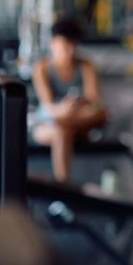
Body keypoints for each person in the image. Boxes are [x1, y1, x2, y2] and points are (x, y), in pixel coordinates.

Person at [32, 18, 107, 183]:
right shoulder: (42, 67)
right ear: (53, 43)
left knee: (92, 115)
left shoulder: (85, 65)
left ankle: (63, 192)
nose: (70, 50)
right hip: (51, 122)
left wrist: (74, 107)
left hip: (76, 119)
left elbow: (95, 100)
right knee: (61, 128)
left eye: (73, 45)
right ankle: (64, 187)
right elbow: (48, 104)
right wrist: (64, 110)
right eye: (65, 45)